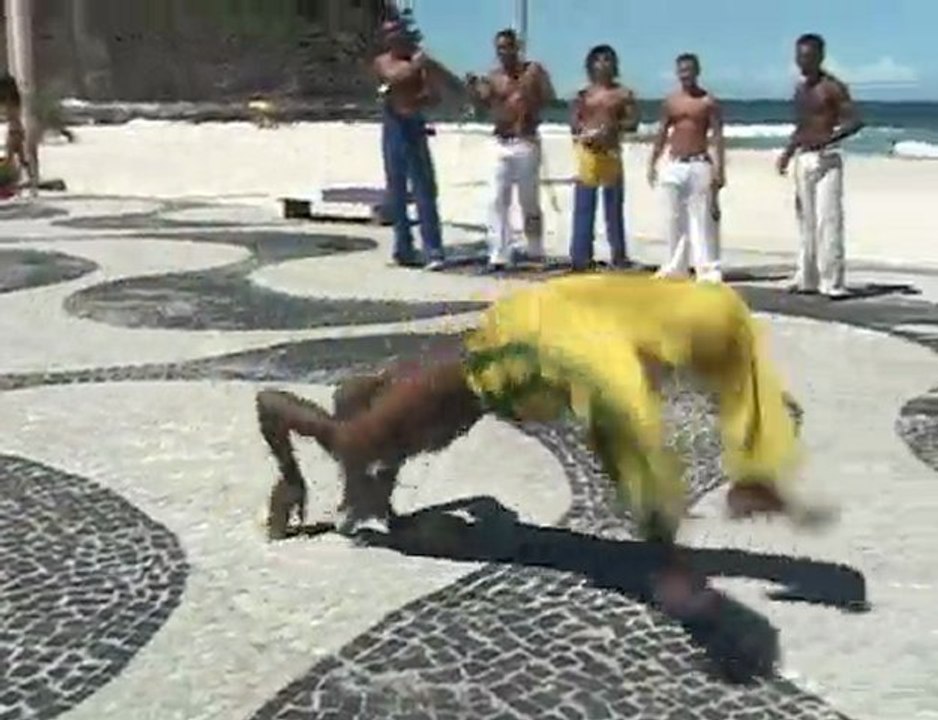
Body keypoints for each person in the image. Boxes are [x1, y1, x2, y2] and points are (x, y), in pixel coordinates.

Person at [256, 274, 802, 609]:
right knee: (365, 453)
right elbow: (272, 403)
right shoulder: (382, 430)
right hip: (488, 364)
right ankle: (358, 498)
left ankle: (364, 498)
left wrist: (315, 482)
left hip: (499, 361)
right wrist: (297, 477)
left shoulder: (388, 425)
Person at [777, 34, 864, 298]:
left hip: (827, 157)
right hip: (804, 156)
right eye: (799, 56)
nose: (802, 62)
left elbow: (855, 121)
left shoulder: (833, 87)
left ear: (820, 57)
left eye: (807, 57)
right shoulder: (800, 90)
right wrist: (787, 152)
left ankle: (832, 281)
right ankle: (807, 278)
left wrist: (830, 138)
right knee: (806, 219)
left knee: (829, 219)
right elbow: (801, 126)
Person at [465, 29, 556, 271]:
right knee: (496, 199)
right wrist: (474, 91)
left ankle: (535, 248)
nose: (504, 52)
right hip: (501, 141)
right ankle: (499, 252)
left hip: (526, 141)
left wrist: (529, 93)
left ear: (517, 47)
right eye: (500, 48)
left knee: (529, 200)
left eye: (508, 46)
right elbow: (482, 108)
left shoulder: (533, 71)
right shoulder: (493, 78)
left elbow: (550, 98)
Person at [372, 20, 446, 271]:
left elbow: (434, 95)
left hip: (414, 125)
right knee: (397, 190)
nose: (394, 37)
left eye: (397, 32)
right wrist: (416, 66)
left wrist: (423, 90)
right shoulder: (384, 62)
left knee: (424, 189)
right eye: (389, 33)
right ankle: (403, 247)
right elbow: (392, 79)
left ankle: (433, 248)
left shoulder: (418, 62)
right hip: (393, 127)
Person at [648, 54, 725, 283]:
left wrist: (720, 169)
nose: (686, 75)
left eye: (689, 70)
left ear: (697, 71)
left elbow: (718, 136)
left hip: (699, 162)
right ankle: (676, 266)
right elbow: (662, 132)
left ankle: (707, 268)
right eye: (682, 70)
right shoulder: (671, 101)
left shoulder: (708, 102)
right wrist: (652, 161)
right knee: (674, 218)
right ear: (677, 73)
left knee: (702, 219)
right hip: (675, 163)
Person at [569, 45, 638, 271]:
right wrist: (586, 133)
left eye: (607, 59)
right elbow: (574, 122)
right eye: (598, 60)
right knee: (584, 206)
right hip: (589, 153)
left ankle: (618, 256)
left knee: (614, 208)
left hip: (611, 153)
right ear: (591, 65)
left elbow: (633, 122)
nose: (603, 64)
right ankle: (580, 257)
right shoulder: (584, 94)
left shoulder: (623, 94)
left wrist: (613, 128)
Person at [0, 74, 28, 199]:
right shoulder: (15, 100)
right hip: (17, 131)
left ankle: (11, 182)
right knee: (20, 159)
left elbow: (9, 114)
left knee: (10, 158)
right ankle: (30, 177)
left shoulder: (11, 101)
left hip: (14, 131)